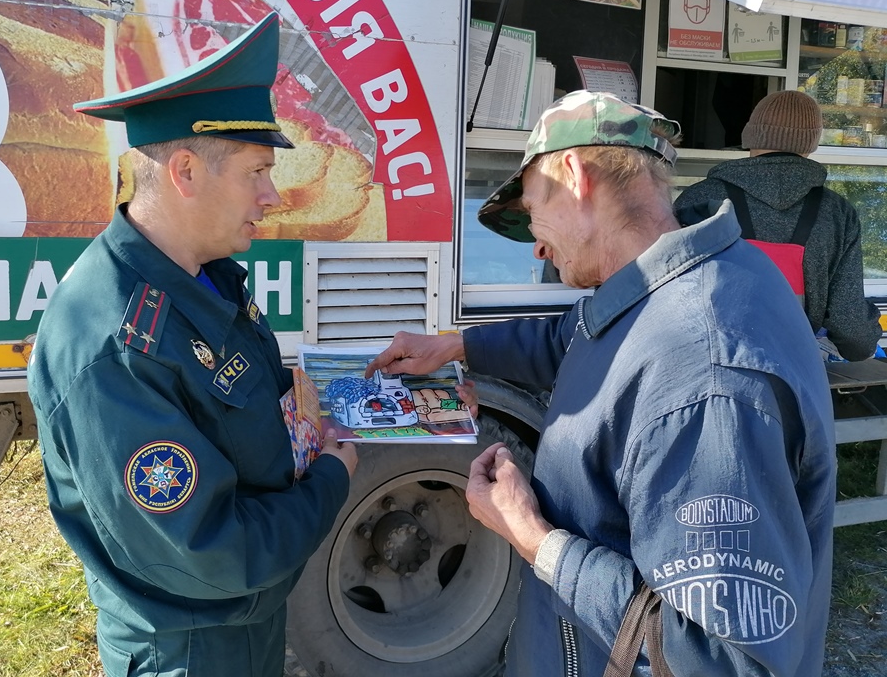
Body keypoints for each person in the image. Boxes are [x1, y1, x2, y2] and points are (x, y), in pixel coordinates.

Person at [367, 91, 836, 677]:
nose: (536, 245)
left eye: (534, 213)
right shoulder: (685, 281)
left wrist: (535, 539)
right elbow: (579, 334)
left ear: (573, 176)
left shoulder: (706, 382)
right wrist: (458, 347)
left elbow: (719, 660)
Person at [27, 12, 357, 677]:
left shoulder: (201, 275)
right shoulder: (119, 345)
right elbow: (214, 552)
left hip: (241, 623)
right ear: (184, 171)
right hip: (191, 650)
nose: (272, 197)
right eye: (257, 172)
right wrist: (332, 476)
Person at [675, 89, 881, 361]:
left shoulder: (698, 200)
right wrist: (866, 345)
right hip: (792, 374)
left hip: (704, 363)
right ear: (811, 143)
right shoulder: (837, 213)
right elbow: (850, 327)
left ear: (750, 134)